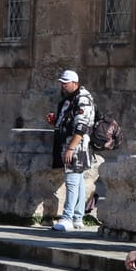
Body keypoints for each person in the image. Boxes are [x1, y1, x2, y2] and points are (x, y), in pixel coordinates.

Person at [47, 72, 95, 232]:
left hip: (77, 147)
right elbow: (70, 120)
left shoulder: (83, 99)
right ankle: (77, 217)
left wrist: (71, 148)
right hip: (72, 145)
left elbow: (82, 127)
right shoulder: (71, 98)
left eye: (66, 83)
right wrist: (56, 120)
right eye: (62, 82)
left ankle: (67, 218)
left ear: (75, 82)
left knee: (72, 182)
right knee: (78, 182)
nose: (63, 85)